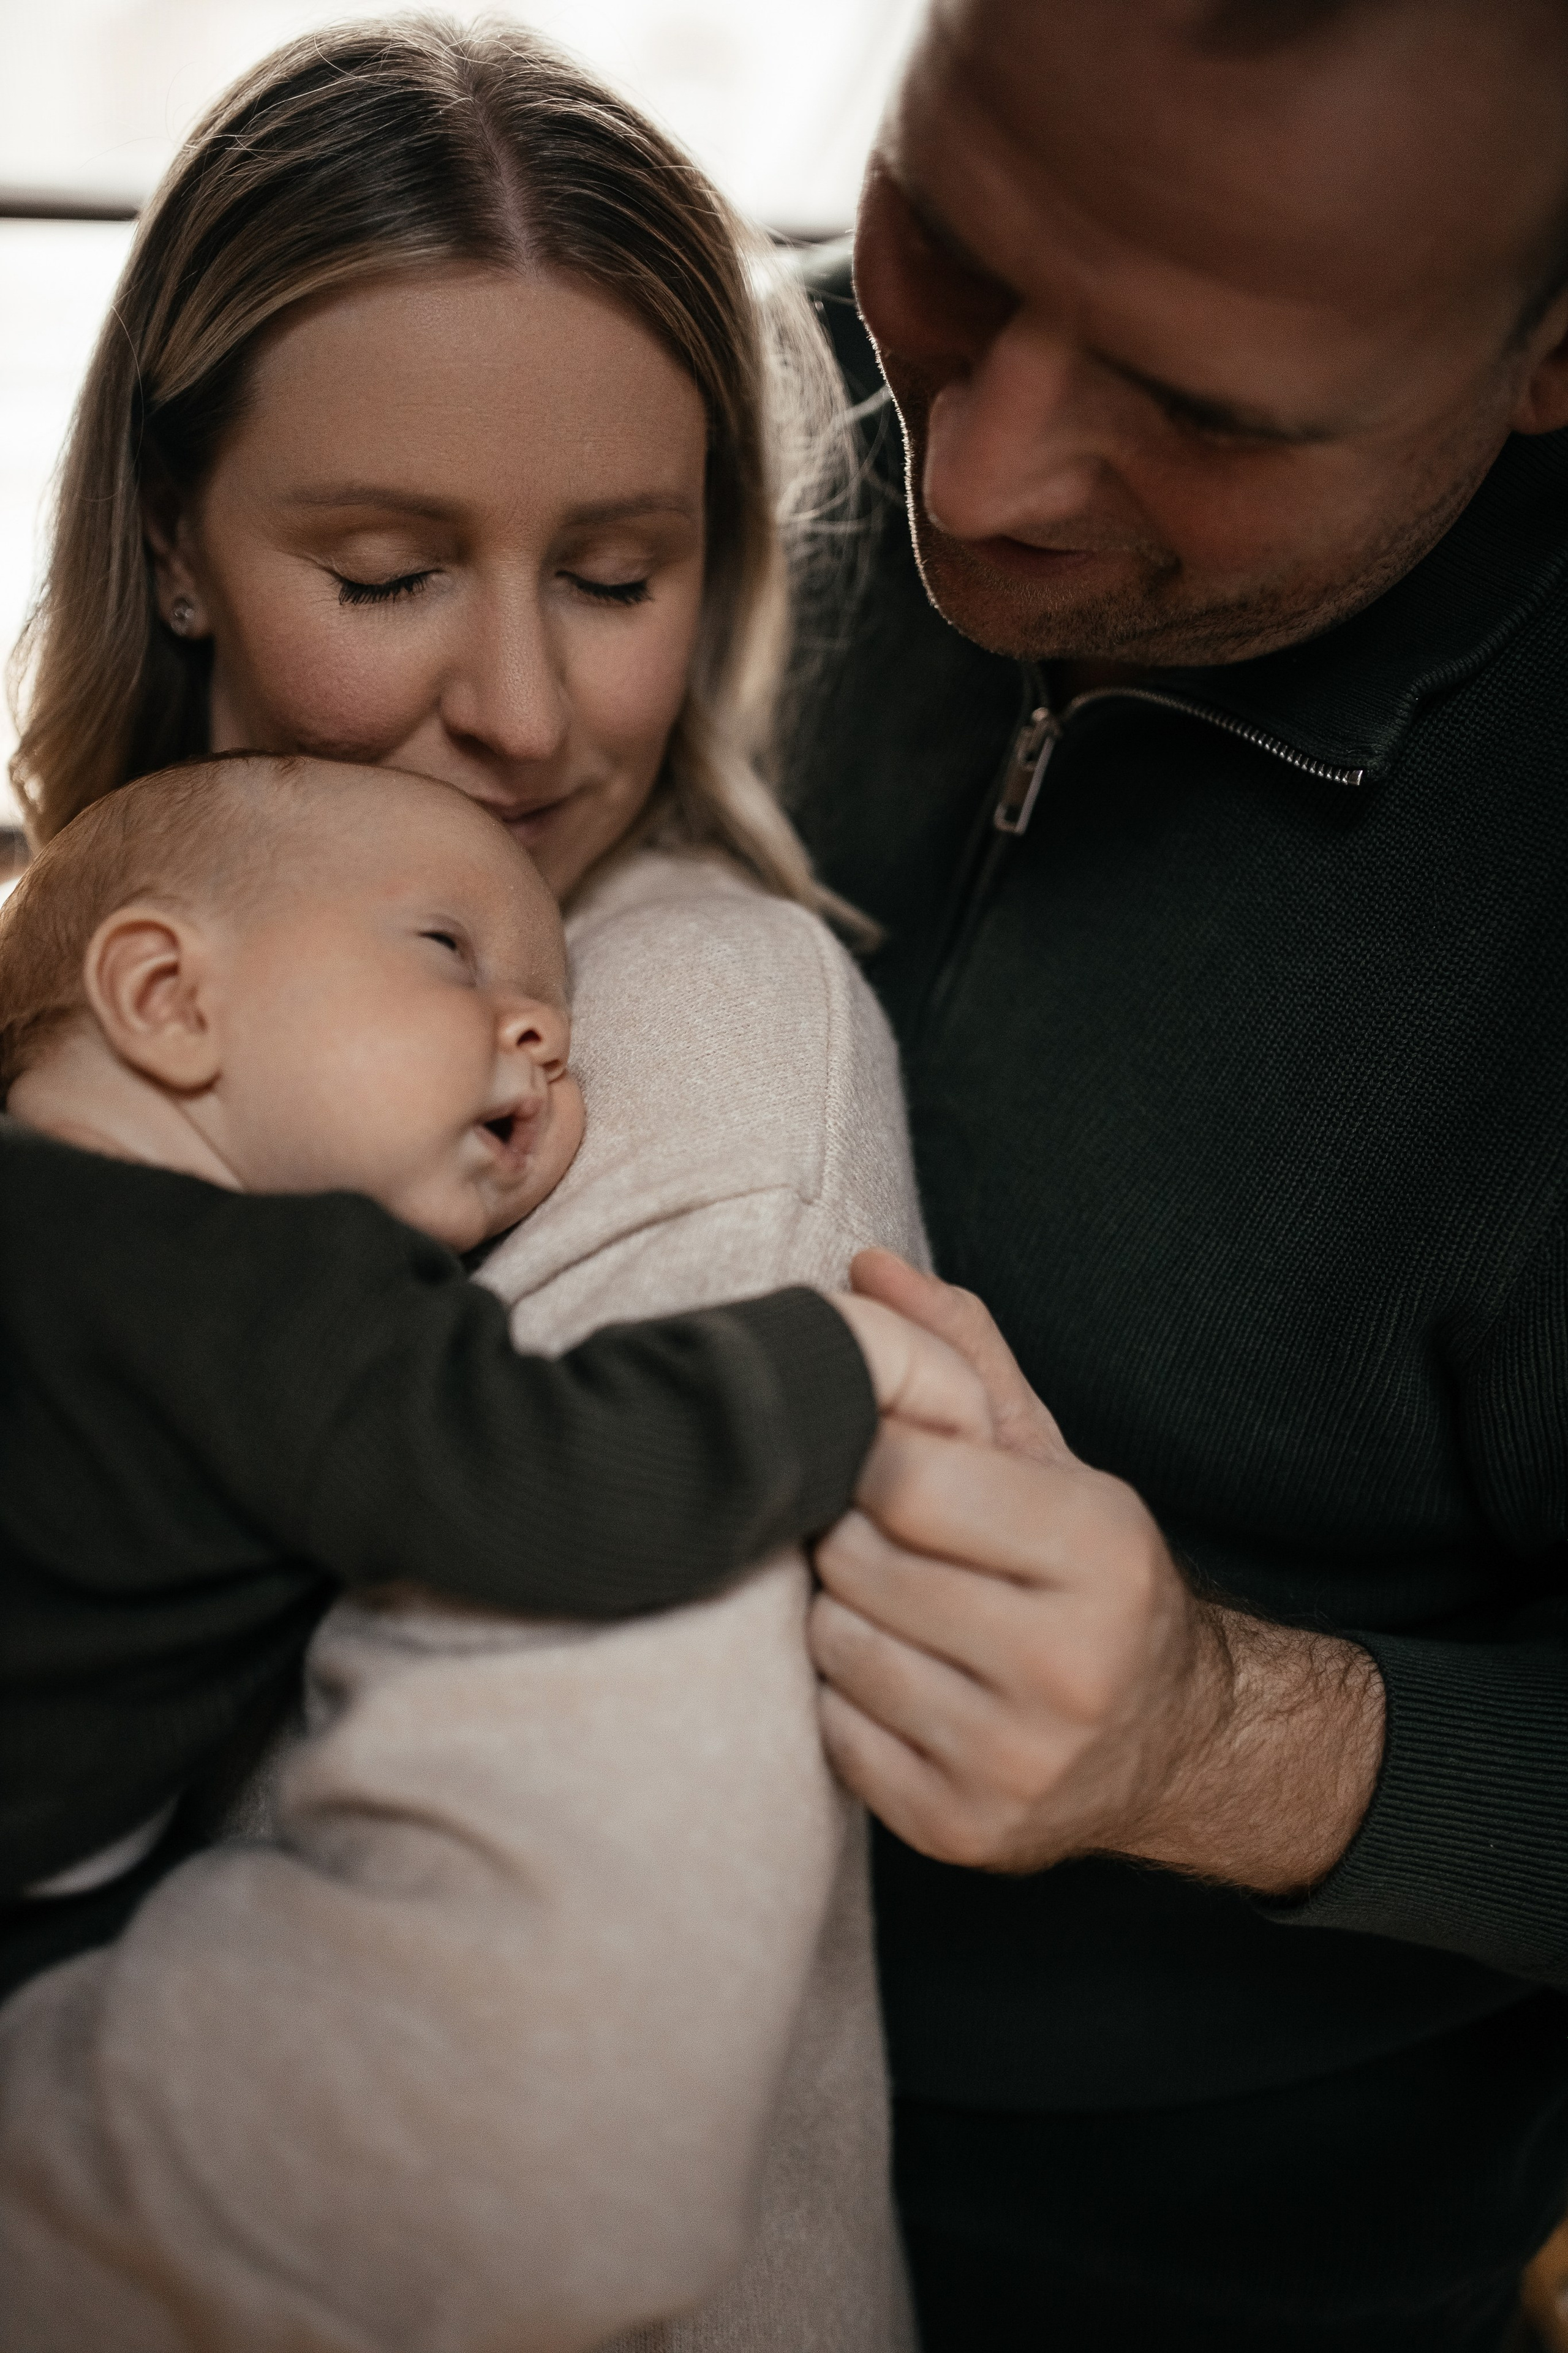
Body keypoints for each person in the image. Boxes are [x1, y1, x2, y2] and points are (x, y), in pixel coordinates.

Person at [0, 21, 937, 2347]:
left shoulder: (674, 1018)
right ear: (172, 549)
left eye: (617, 574)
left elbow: (497, 2145)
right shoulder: (93, 1037)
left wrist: (844, 1362)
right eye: (393, 567)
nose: (522, 715)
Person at [774, 1, 1568, 2347]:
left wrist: (1214, 1735)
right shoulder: (713, 377)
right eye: (943, 237)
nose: (979, 471)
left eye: (1207, 408)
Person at [0, 752, 981, 1924]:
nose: (545, 1036)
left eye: (557, 1009)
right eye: (446, 950)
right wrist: (841, 1364)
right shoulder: (256, 1287)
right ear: (167, 994)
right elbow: (541, 1476)